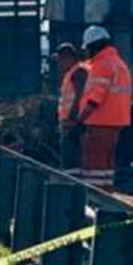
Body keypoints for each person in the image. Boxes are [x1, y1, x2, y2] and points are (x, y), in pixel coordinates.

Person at [74, 26, 132, 185]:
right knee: (107, 162)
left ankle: (95, 198)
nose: (87, 52)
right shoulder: (120, 64)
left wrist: (80, 121)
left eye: (88, 48)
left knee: (94, 162)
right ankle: (107, 197)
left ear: (94, 45)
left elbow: (95, 98)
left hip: (99, 122)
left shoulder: (102, 64)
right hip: (116, 123)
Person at [54, 43, 88, 173]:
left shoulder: (78, 72)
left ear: (69, 58)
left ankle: (72, 188)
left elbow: (81, 96)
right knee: (69, 160)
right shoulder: (72, 73)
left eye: (60, 59)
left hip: (72, 124)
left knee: (72, 162)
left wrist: (73, 119)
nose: (59, 63)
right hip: (68, 123)